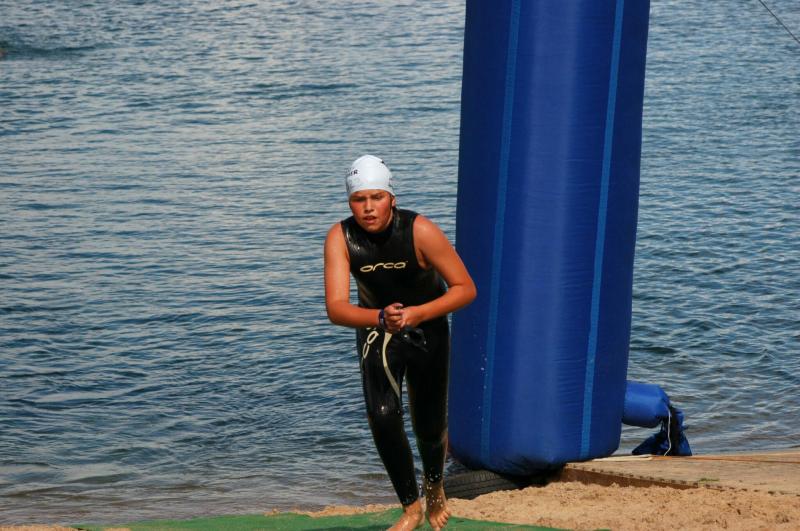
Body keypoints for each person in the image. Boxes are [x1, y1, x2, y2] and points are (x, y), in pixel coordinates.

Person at [324, 155, 476, 531]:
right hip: (378, 330)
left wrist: (418, 313)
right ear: (350, 202)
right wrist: (380, 317)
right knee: (382, 417)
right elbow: (336, 308)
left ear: (391, 198)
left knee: (428, 426)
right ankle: (411, 507)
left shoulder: (420, 230)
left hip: (427, 331)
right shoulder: (340, 238)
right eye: (359, 199)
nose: (368, 207)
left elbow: (465, 288)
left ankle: (435, 486)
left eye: (376, 197)